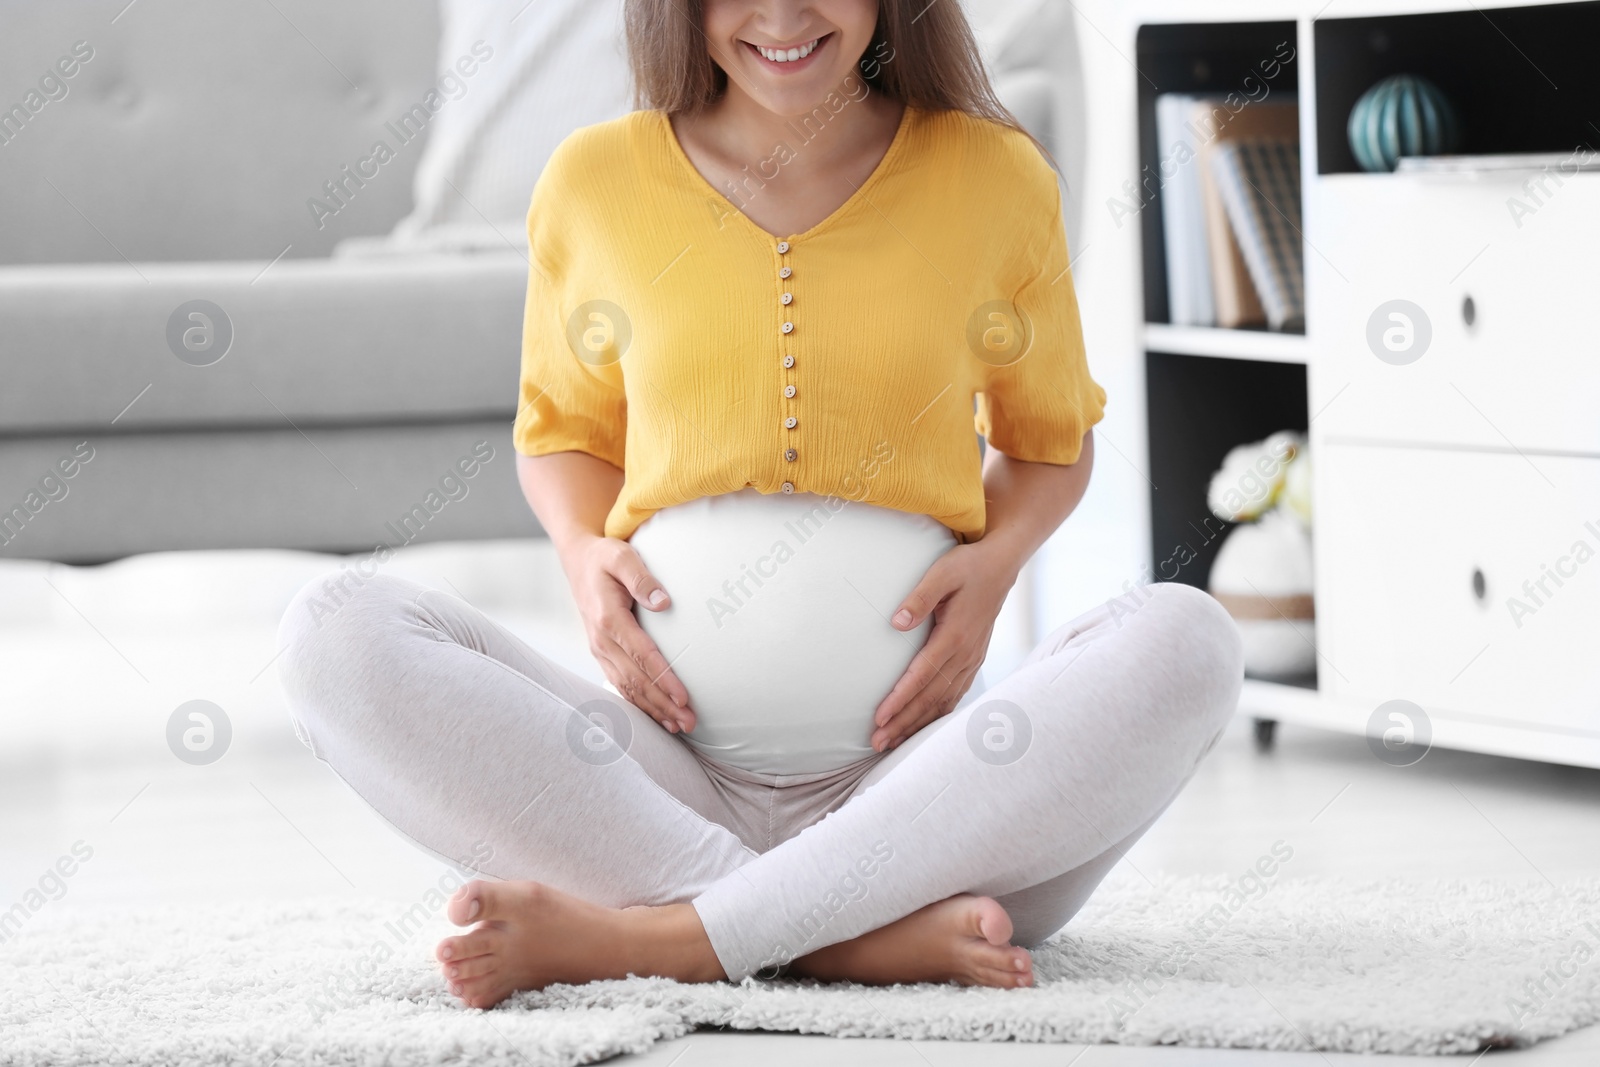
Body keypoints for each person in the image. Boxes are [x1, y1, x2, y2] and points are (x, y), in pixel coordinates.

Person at [277, 0, 1243, 1010]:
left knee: (1186, 638)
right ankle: (834, 939)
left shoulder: (994, 177)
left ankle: (672, 936)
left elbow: (1048, 444)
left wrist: (996, 562)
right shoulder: (594, 181)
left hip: (925, 808)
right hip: (654, 791)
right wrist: (579, 549)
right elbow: (561, 431)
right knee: (330, 631)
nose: (781, 15)